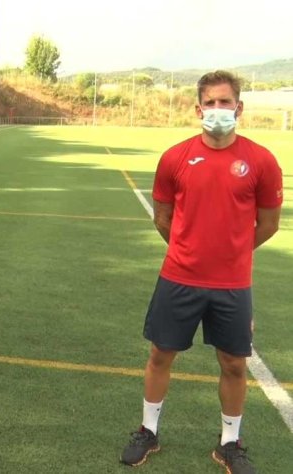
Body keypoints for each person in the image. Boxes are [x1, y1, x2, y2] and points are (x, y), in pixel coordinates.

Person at [120, 70, 282, 473]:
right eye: (210, 102)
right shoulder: (175, 158)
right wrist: (189, 250)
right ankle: (148, 431)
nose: (217, 109)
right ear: (198, 109)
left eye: (225, 102)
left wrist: (230, 254)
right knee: (160, 354)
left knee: (234, 364)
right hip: (178, 277)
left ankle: (230, 443)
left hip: (232, 284)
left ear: (239, 108)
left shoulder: (261, 160)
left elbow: (268, 224)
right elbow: (162, 217)